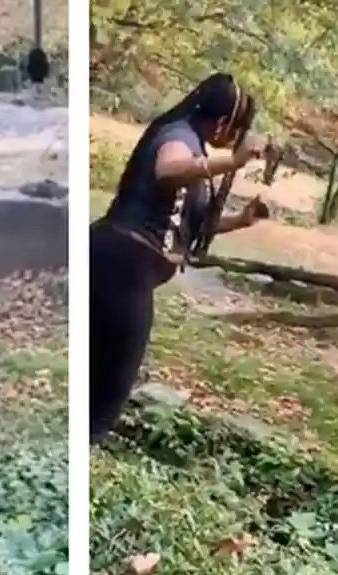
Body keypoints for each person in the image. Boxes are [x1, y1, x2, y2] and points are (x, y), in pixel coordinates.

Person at [90, 72, 268, 444]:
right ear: (222, 122)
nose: (234, 138)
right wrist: (233, 162)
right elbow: (167, 170)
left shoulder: (194, 146)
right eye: (235, 130)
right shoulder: (179, 136)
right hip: (121, 265)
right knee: (112, 382)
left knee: (103, 369)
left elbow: (187, 225)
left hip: (125, 269)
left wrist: (241, 220)